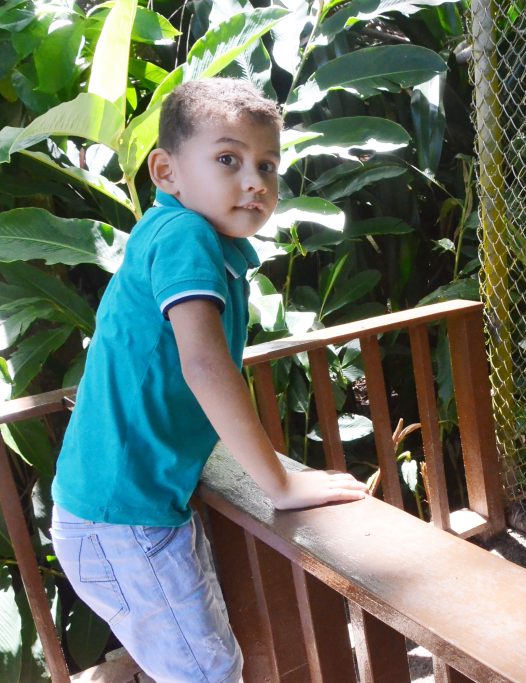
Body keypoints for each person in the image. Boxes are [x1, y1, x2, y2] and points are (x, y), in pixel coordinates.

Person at [49, 78, 367, 682]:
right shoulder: (185, 236)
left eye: (268, 165)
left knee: (204, 665)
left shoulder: (173, 232)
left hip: (124, 510)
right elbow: (202, 364)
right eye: (229, 159)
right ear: (167, 171)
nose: (256, 181)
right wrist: (281, 484)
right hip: (124, 519)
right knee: (208, 673)